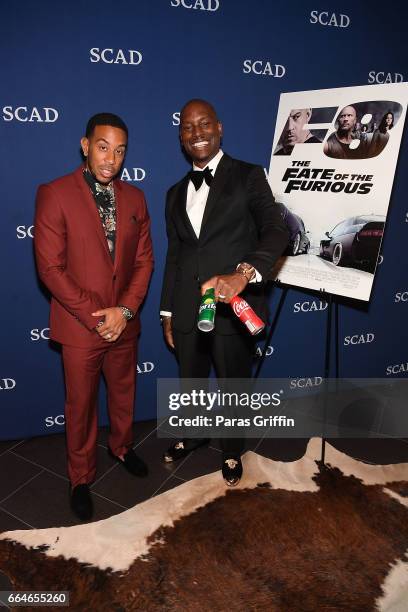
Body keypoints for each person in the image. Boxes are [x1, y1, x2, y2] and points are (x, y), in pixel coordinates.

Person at [160, 99, 289, 486]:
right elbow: (176, 254)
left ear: (219, 128)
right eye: (187, 127)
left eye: (203, 124)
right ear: (181, 137)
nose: (196, 133)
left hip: (233, 306)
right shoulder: (173, 193)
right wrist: (167, 311)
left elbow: (277, 228)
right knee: (191, 380)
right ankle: (196, 434)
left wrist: (244, 273)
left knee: (233, 382)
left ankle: (232, 450)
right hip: (187, 307)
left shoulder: (249, 176)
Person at [34, 113, 154, 521]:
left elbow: (144, 262)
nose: (111, 159)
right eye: (103, 147)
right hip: (81, 327)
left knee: (124, 393)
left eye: (119, 151)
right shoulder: (55, 193)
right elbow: (50, 269)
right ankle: (80, 478)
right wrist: (95, 316)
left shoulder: (136, 198)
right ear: (86, 146)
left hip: (124, 323)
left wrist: (124, 311)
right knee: (81, 406)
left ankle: (121, 448)